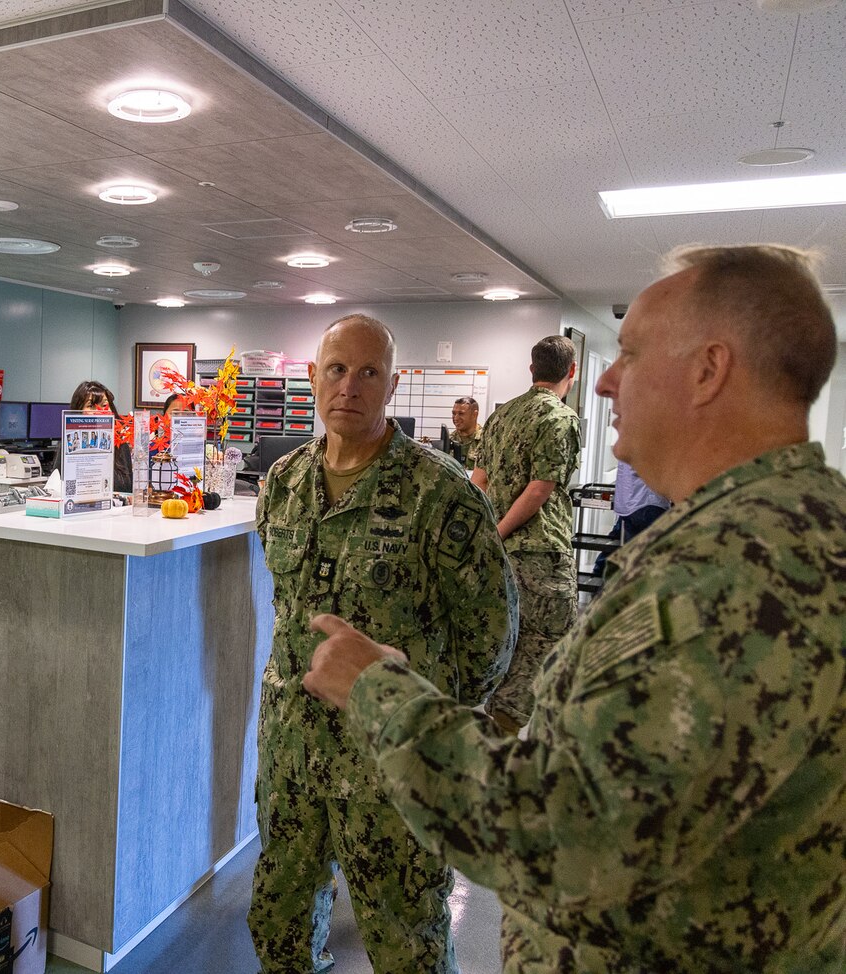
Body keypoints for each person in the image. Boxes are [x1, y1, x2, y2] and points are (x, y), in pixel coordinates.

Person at [302, 244, 846, 973]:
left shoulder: (736, 577)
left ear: (709, 370)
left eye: (631, 352)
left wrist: (378, 691)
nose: (605, 383)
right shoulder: (776, 531)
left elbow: (557, 833)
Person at [248, 314, 516, 974]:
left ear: (391, 386)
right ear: (313, 378)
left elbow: (491, 632)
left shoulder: (440, 492)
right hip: (292, 757)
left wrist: (421, 717)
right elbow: (287, 612)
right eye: (336, 369)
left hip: (389, 766)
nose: (350, 385)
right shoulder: (282, 482)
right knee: (279, 924)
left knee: (407, 940)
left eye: (369, 372)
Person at [472, 336, 581, 732]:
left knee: (506, 644)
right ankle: (506, 743)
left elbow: (478, 481)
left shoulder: (502, 415)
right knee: (546, 645)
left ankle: (497, 734)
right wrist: (499, 534)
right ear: (572, 372)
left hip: (500, 558)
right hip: (539, 556)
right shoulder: (560, 418)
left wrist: (486, 537)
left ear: (531, 369)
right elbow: (539, 489)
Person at [67, 378, 133, 492]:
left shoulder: (121, 446)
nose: (99, 411)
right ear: (78, 410)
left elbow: (129, 490)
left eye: (104, 405)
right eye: (91, 406)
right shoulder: (69, 444)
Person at [444, 395, 482, 468]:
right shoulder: (449, 440)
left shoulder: (485, 440)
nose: (456, 418)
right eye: (454, 413)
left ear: (474, 415)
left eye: (461, 414)